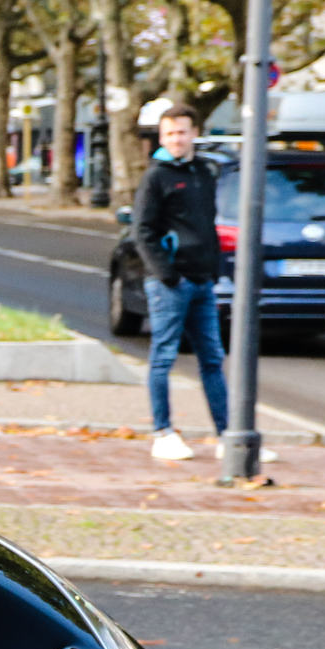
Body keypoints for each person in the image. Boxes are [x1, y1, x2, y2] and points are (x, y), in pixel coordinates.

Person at [132, 106, 231, 462]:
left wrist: (212, 269)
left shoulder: (204, 171)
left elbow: (207, 224)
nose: (177, 139)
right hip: (171, 284)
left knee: (212, 359)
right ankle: (163, 431)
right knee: (163, 357)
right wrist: (167, 274)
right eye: (171, 133)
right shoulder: (155, 177)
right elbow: (142, 231)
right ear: (162, 137)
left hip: (203, 280)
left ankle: (227, 435)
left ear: (194, 133)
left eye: (183, 132)